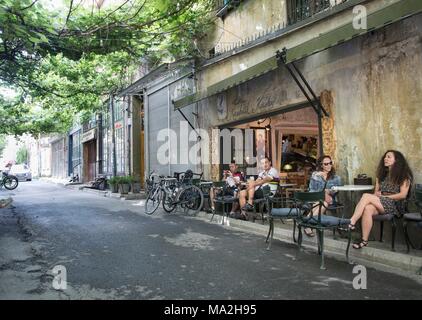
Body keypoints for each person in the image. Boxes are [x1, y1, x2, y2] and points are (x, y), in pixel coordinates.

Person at [349, 150, 413, 249]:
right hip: (381, 203)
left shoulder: (403, 176)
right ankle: (364, 240)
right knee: (368, 208)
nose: (385, 159)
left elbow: (403, 195)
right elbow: (375, 194)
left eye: (389, 157)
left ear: (397, 160)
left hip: (395, 205)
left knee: (366, 196)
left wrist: (384, 196)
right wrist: (377, 196)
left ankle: (352, 221)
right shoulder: (381, 175)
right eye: (385, 157)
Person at [304, 155, 342, 236]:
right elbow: (311, 190)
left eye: (330, 163)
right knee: (323, 203)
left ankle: (306, 223)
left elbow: (337, 191)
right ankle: (309, 225)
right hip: (316, 198)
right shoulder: (316, 175)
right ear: (321, 165)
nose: (329, 165)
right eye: (326, 164)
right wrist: (322, 192)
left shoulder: (336, 178)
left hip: (330, 200)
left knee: (324, 202)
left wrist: (331, 191)